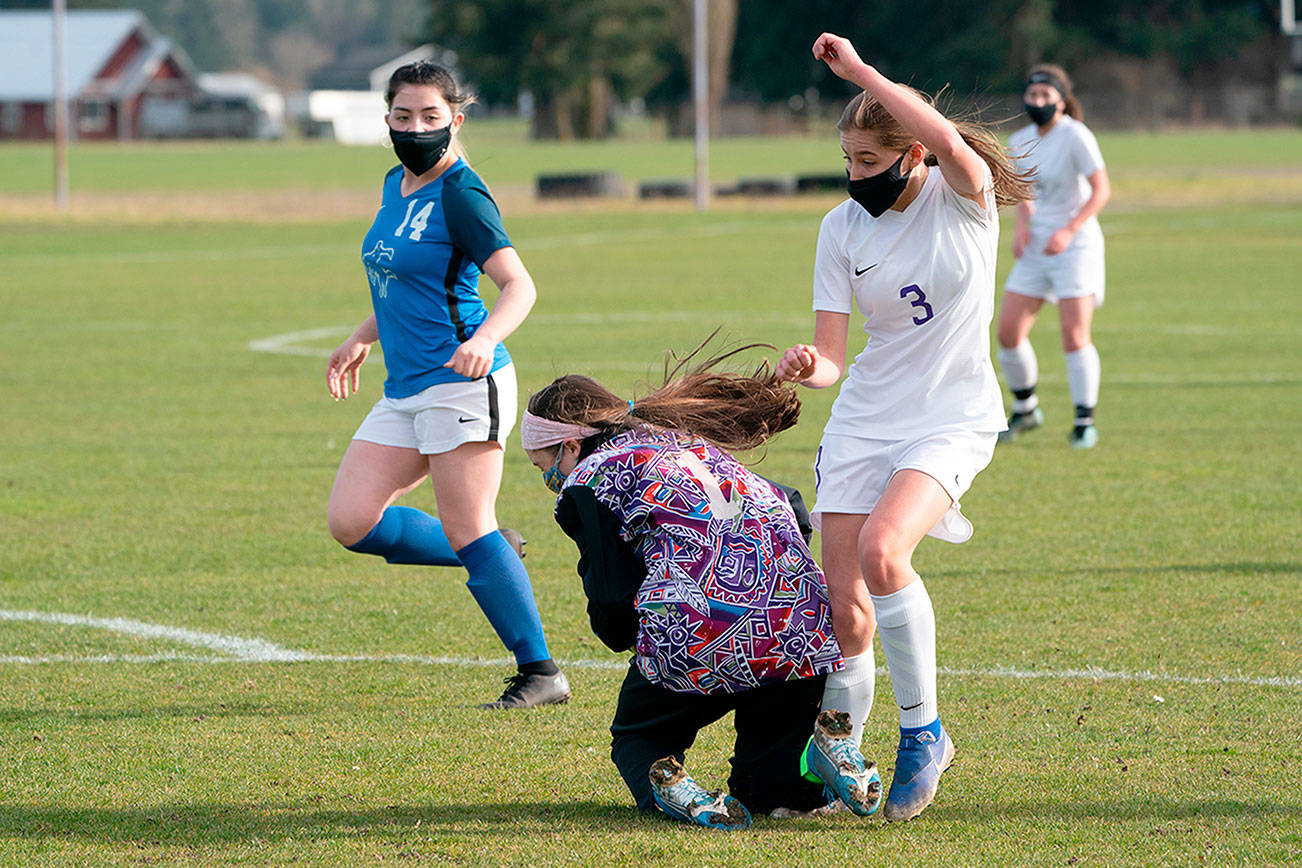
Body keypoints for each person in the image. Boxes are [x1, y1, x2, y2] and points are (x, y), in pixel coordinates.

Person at [776, 33, 1034, 821]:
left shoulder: (964, 195)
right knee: (843, 607)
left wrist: (857, 74)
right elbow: (830, 356)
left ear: (911, 154)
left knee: (888, 552)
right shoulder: (839, 231)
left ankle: (925, 733)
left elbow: (952, 137)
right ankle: (840, 765)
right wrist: (803, 367)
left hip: (951, 419)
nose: (853, 175)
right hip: (863, 419)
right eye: (846, 160)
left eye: (866, 160)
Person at [520, 345, 882, 830]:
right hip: (797, 627)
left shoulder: (587, 478)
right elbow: (790, 503)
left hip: (698, 631)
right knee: (769, 790)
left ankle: (672, 786)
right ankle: (818, 761)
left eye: (546, 469)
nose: (552, 481)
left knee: (636, 737)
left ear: (570, 446)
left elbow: (610, 594)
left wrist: (627, 634)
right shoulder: (685, 441)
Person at [324, 61, 568, 709]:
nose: (416, 128)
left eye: (431, 116)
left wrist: (485, 340)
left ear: (455, 120)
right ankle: (496, 551)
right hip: (403, 389)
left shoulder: (462, 194)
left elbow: (520, 285)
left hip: (464, 385)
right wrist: (360, 337)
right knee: (351, 520)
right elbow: (403, 280)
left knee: (467, 525)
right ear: (387, 122)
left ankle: (541, 672)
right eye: (403, 117)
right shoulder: (393, 185)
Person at [996, 63, 1111, 448]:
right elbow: (1024, 192)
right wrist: (1023, 227)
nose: (1038, 102)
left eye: (1046, 96)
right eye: (1032, 95)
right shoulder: (1019, 139)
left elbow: (1100, 191)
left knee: (1074, 335)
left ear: (1062, 100)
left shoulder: (1076, 136)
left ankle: (1084, 420)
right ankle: (1026, 408)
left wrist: (1068, 230)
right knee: (1008, 332)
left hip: (1074, 247)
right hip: (1036, 248)